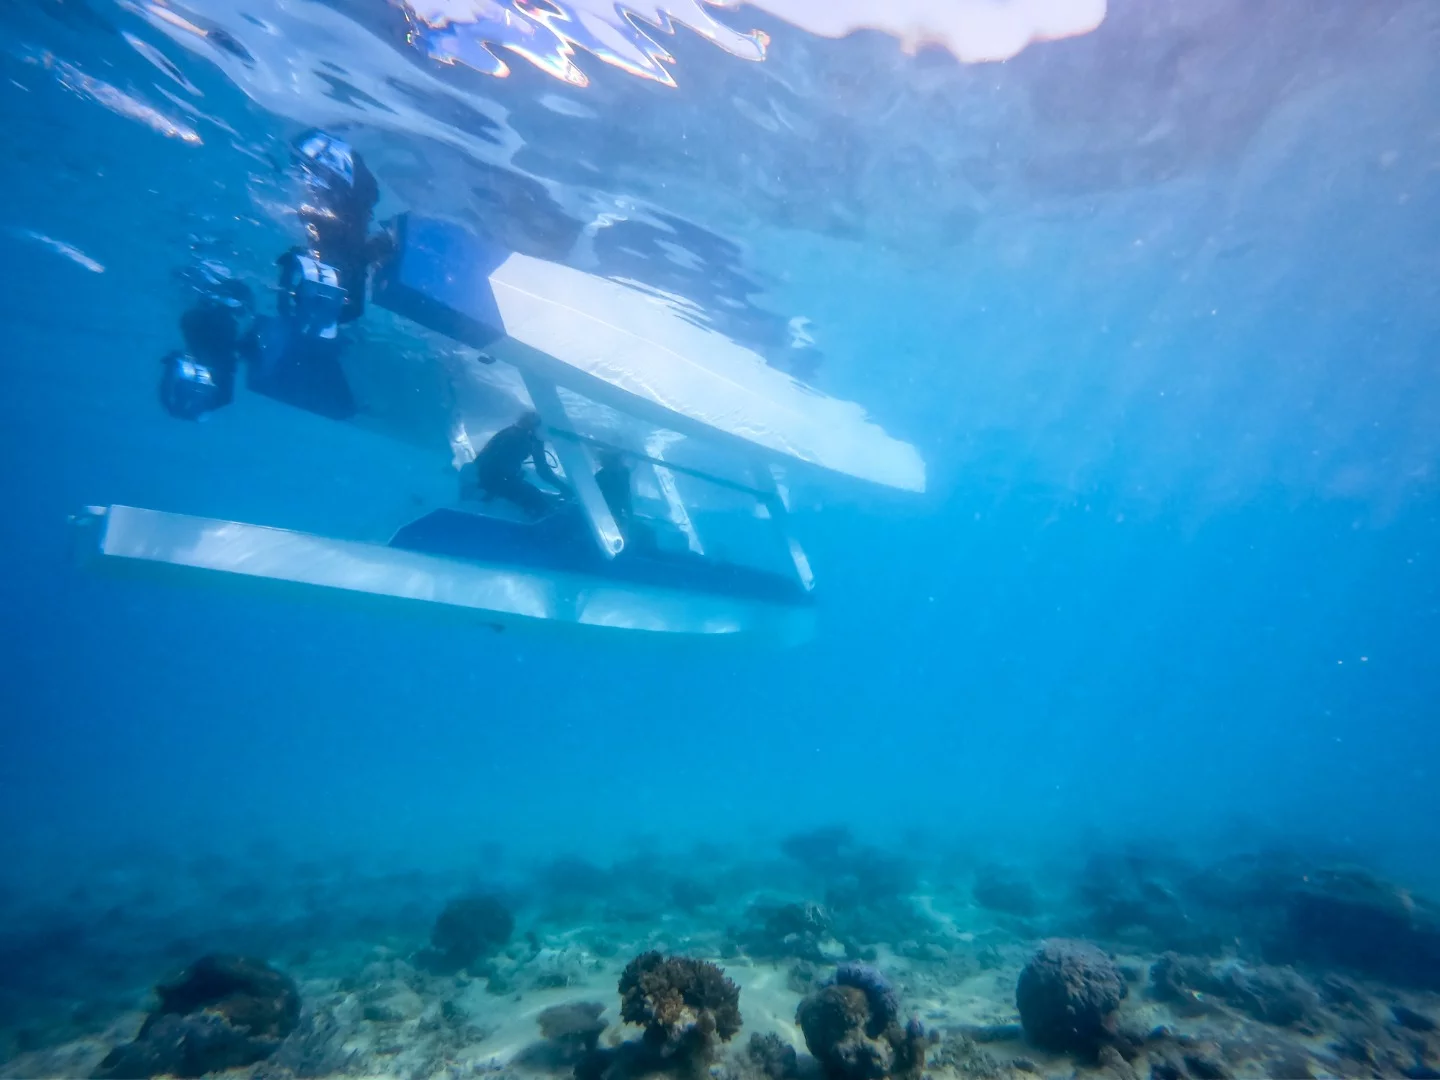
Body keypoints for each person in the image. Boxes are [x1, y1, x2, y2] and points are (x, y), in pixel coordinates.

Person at [474, 411, 569, 518]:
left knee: (536, 495)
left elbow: (542, 469)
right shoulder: (515, 437)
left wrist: (564, 488)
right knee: (534, 497)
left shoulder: (534, 438)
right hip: (486, 478)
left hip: (500, 477)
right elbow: (490, 466)